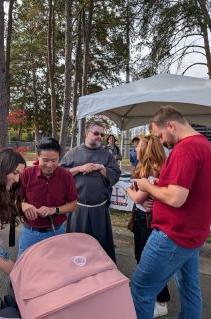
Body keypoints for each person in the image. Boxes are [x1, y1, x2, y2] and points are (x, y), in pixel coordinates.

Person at [131, 106, 211, 319]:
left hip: (172, 234)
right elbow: (189, 188)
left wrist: (147, 187)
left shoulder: (185, 148)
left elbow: (176, 198)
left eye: (161, 135)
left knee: (141, 288)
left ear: (171, 125)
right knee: (189, 287)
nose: (163, 141)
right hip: (192, 234)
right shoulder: (204, 144)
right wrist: (161, 183)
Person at [60, 120, 121, 262]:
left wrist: (101, 167)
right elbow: (60, 174)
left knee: (98, 246)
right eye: (96, 133)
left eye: (101, 134)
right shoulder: (73, 153)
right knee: (76, 246)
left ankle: (99, 273)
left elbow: (116, 174)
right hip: (77, 209)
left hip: (99, 209)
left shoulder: (107, 155)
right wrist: (79, 168)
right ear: (86, 134)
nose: (99, 136)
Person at [126, 134, 170, 318]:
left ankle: (161, 301)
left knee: (149, 261)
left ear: (146, 149)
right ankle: (151, 295)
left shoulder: (152, 171)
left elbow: (137, 197)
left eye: (138, 146)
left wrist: (129, 189)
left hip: (147, 221)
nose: (135, 148)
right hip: (141, 218)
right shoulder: (144, 167)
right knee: (141, 257)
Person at [18, 138, 77, 256]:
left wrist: (54, 210)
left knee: (56, 269)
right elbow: (12, 199)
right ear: (38, 157)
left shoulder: (66, 176)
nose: (49, 165)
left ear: (59, 158)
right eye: (45, 160)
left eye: (54, 160)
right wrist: (23, 204)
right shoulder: (26, 174)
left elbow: (73, 204)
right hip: (30, 232)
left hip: (56, 231)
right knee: (24, 268)